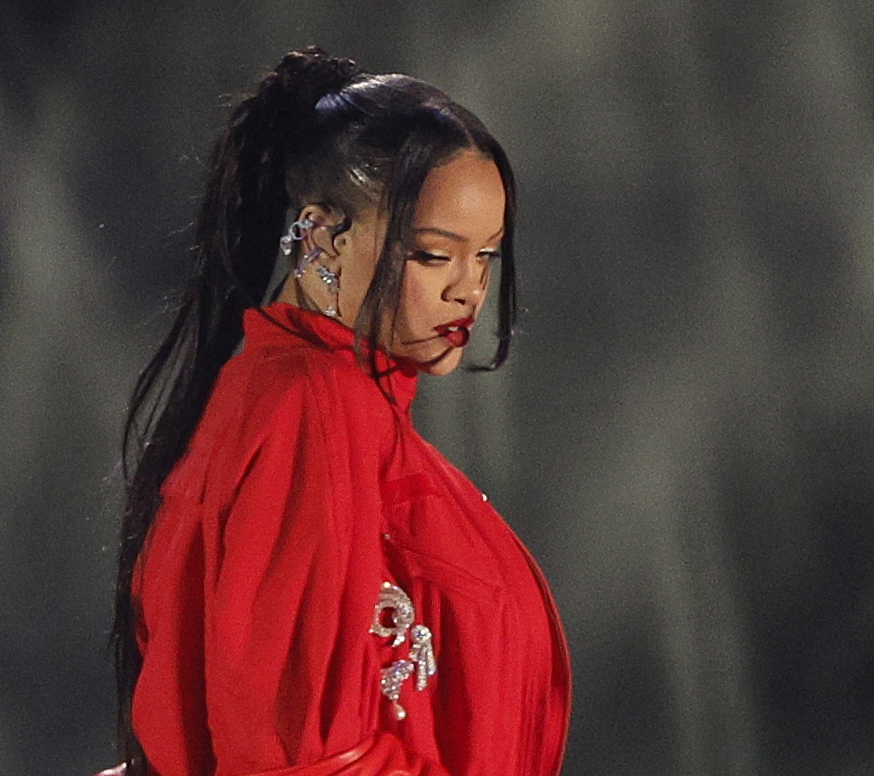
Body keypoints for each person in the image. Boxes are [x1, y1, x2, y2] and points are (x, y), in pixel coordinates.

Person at [106, 47, 571, 776]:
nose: (469, 290)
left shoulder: (306, 401)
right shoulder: (313, 405)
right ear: (323, 235)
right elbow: (302, 750)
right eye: (433, 255)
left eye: (486, 256)